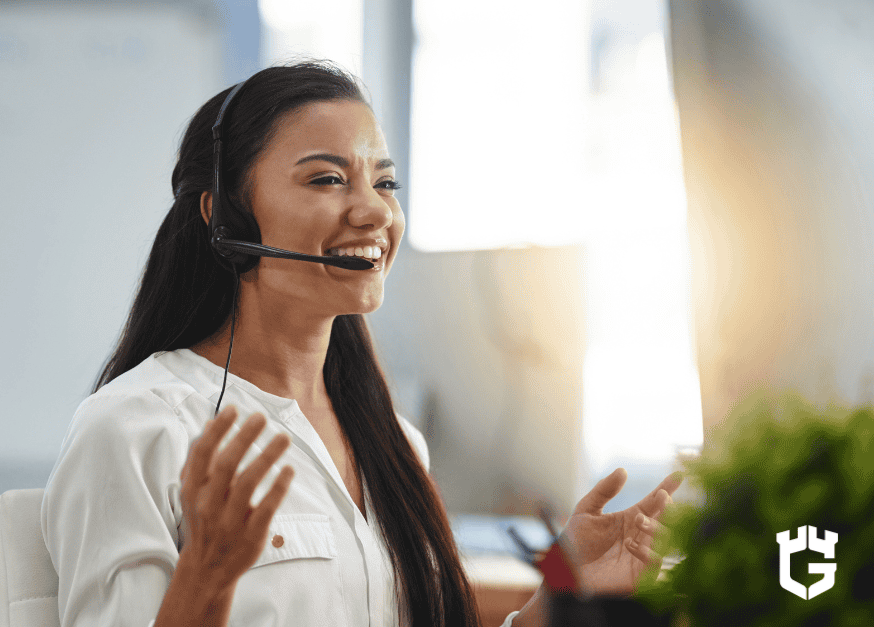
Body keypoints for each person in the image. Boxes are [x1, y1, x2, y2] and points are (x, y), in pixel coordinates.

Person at [40, 61, 682, 627]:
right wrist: (206, 580)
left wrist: (565, 591)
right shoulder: (136, 427)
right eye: (326, 180)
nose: (374, 212)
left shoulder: (393, 443)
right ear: (227, 217)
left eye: (384, 183)